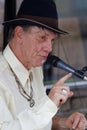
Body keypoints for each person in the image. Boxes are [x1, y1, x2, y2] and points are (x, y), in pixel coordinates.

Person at [0, 0, 87, 130]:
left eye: (52, 40)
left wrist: (65, 123)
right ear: (19, 34)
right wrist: (49, 105)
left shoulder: (35, 69)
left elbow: (37, 121)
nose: (49, 48)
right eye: (42, 38)